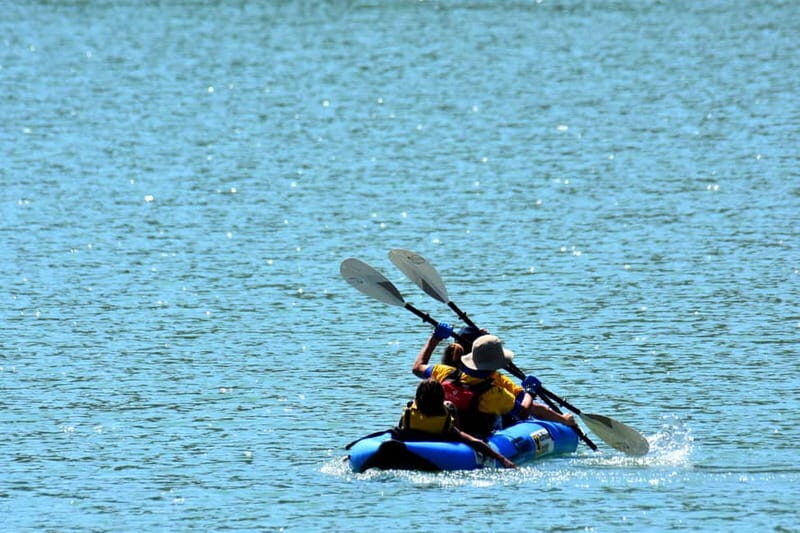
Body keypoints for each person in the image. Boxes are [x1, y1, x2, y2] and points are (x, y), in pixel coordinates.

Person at [413, 323, 577, 439]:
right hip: (476, 435)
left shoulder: (445, 371)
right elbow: (525, 411)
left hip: (444, 426)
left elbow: (418, 367)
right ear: (496, 365)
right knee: (511, 417)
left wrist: (434, 338)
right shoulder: (495, 391)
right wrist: (530, 393)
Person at [398, 379, 516, 469]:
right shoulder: (446, 426)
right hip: (447, 444)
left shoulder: (407, 414)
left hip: (411, 446)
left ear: (417, 399)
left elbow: (397, 431)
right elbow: (474, 442)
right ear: (441, 400)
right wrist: (502, 458)